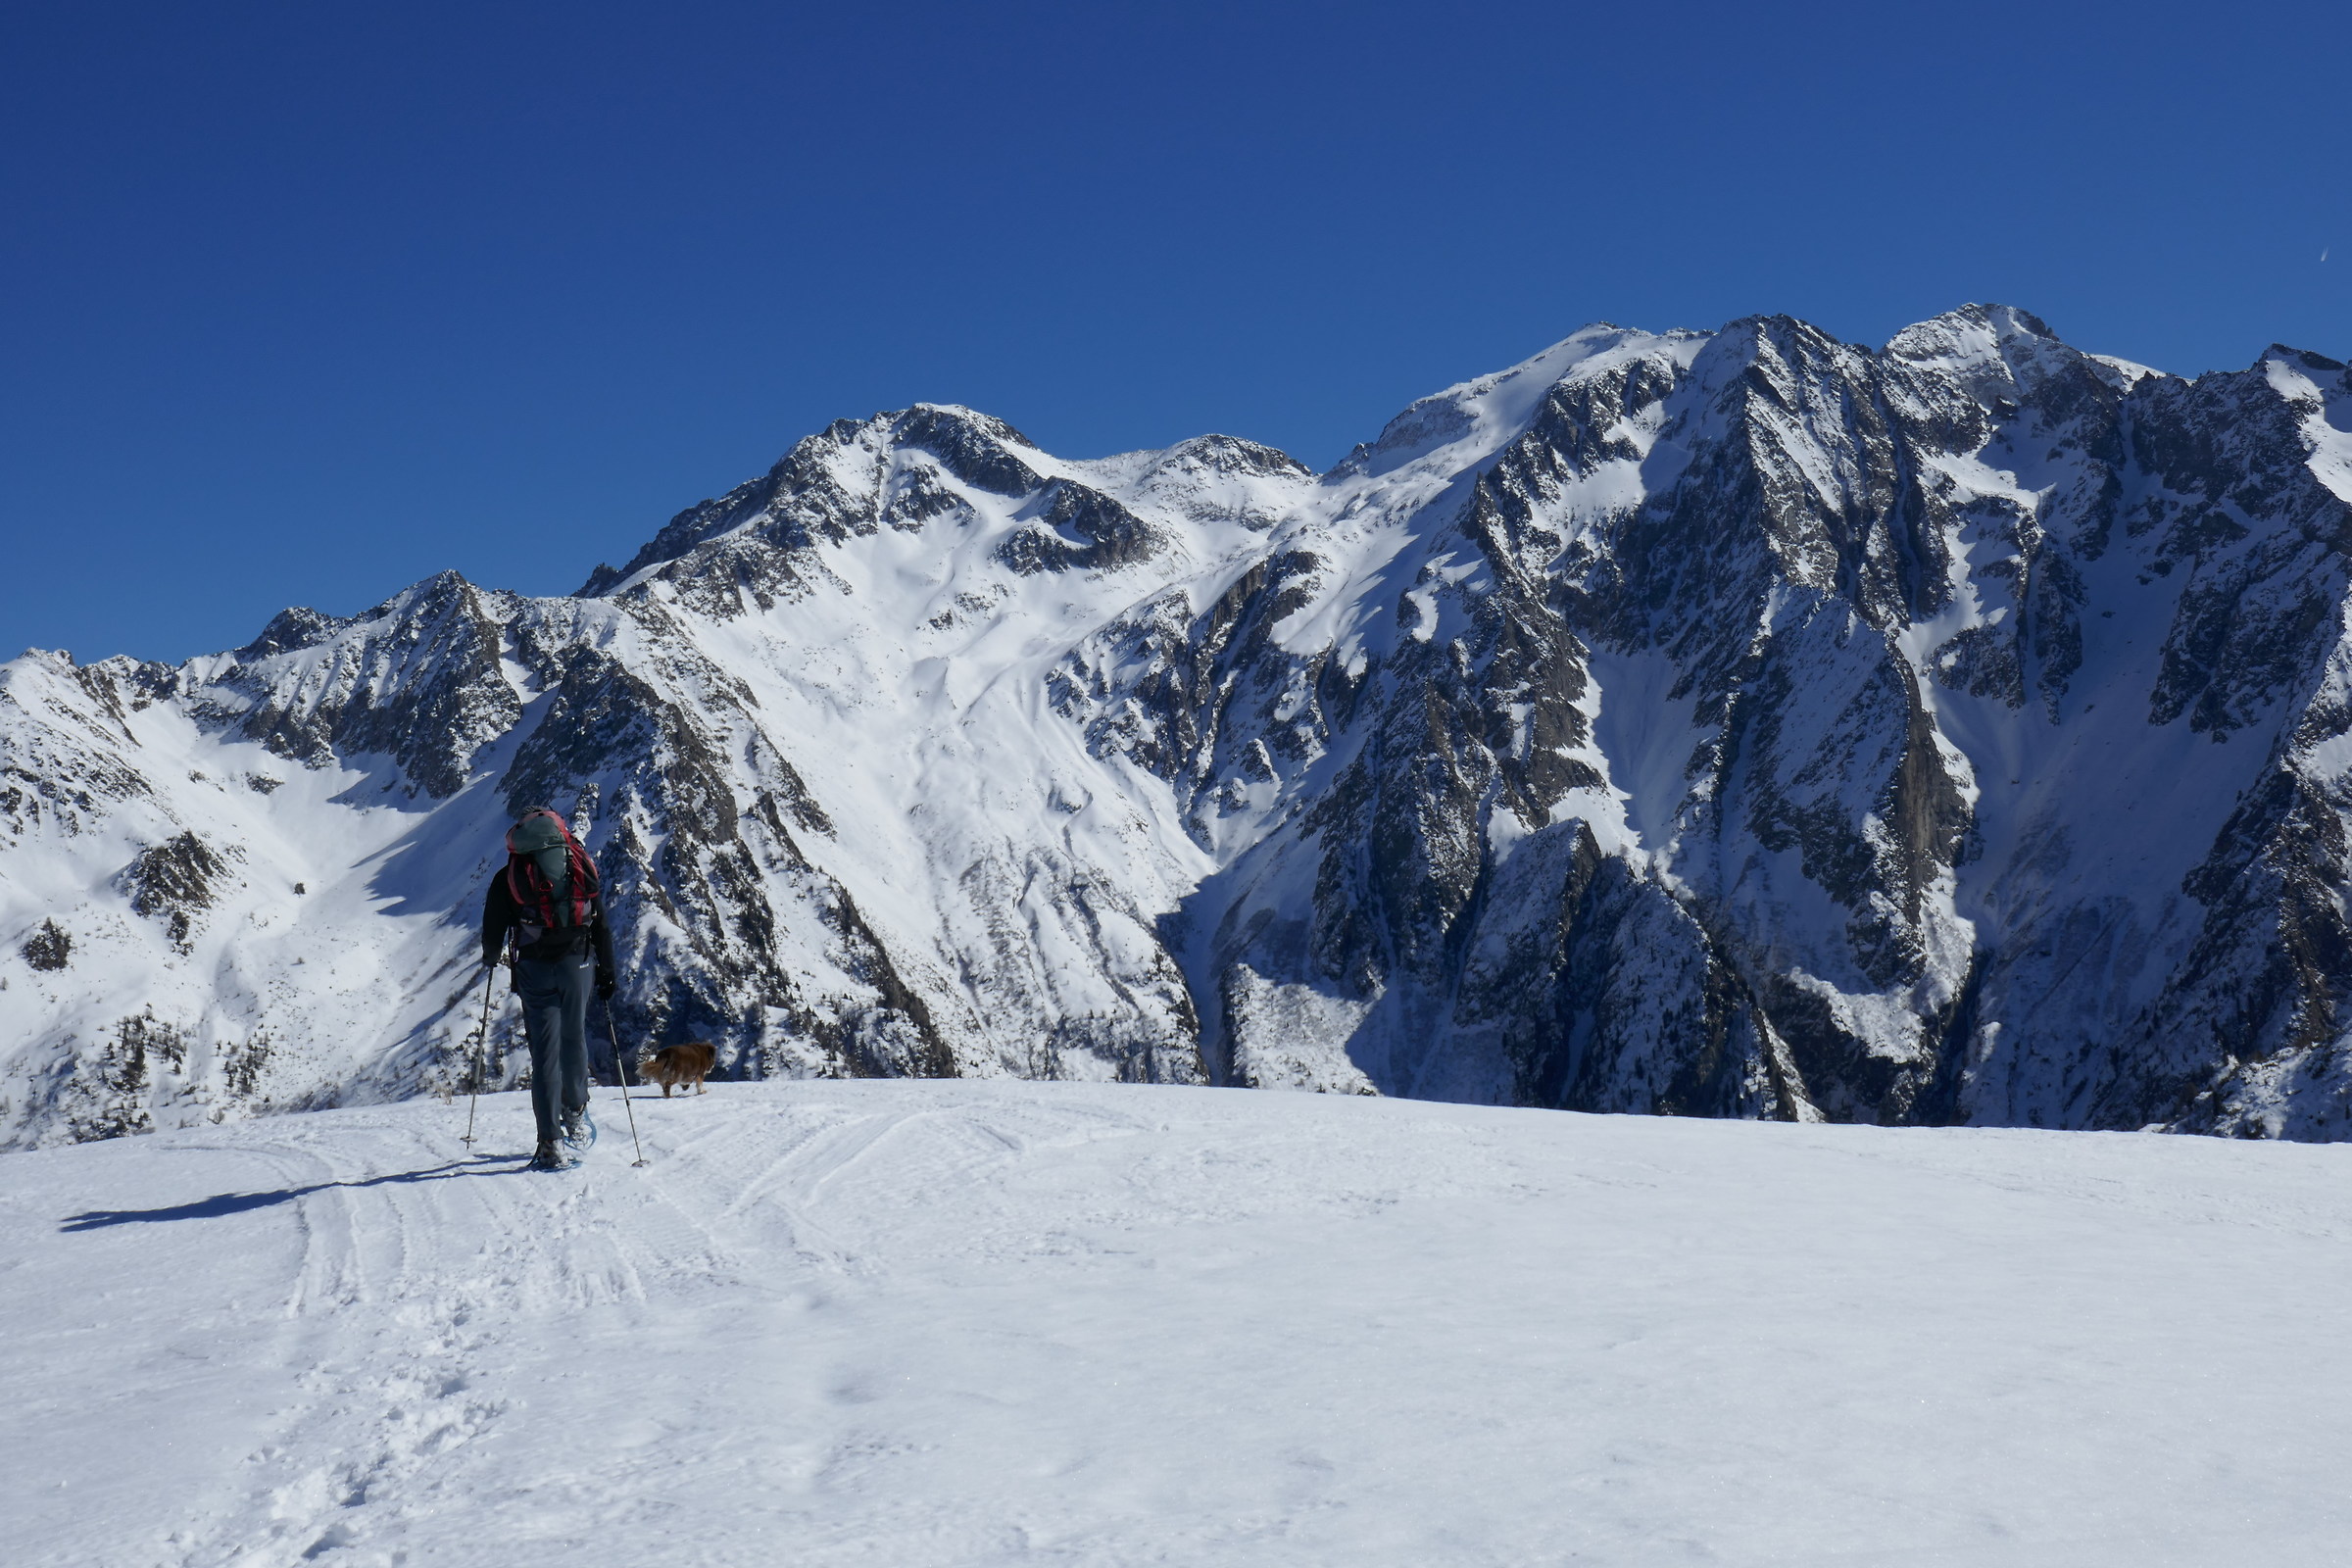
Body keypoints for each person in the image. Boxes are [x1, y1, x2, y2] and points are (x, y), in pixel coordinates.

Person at [482, 808, 617, 1170]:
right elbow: (598, 920)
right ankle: (575, 1113)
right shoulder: (577, 864)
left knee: (545, 1054)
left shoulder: (510, 874)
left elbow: (493, 927)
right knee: (575, 1039)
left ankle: (548, 1142)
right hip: (580, 964)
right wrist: (608, 968)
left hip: (534, 969)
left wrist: (491, 957)